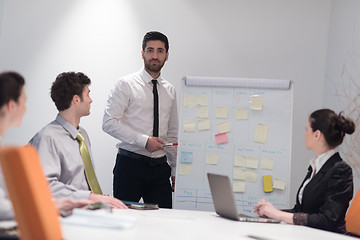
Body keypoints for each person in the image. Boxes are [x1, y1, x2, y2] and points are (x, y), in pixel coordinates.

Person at [0, 71, 92, 224]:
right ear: (11, 106)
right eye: (24, 102)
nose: (25, 109)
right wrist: (48, 205)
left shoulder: (3, 147)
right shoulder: (46, 137)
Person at [102, 31, 178, 208]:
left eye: (160, 51)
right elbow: (109, 122)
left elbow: (173, 133)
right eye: (150, 50)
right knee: (124, 223)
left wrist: (175, 169)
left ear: (167, 55)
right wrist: (144, 141)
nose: (154, 55)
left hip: (160, 169)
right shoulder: (126, 84)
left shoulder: (170, 90)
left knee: (164, 226)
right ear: (142, 53)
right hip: (130, 166)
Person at [29, 72, 127, 209]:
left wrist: (98, 198)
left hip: (88, 210)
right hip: (68, 215)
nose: (91, 100)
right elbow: (46, 185)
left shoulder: (83, 135)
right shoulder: (47, 138)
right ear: (76, 100)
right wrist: (89, 197)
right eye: (88, 94)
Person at [254, 109, 355, 233]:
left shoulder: (341, 170)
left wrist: (277, 214)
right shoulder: (315, 167)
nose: (304, 134)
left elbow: (328, 220)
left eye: (307, 130)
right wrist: (271, 212)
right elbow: (300, 211)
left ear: (317, 134)